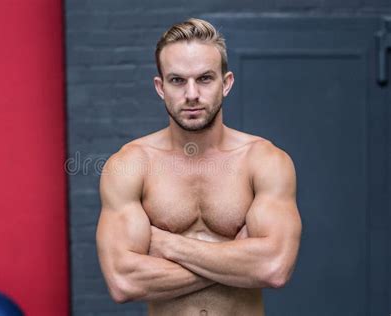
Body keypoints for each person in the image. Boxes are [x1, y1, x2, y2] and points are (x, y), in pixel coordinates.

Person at [96, 18, 302, 316]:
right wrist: (238, 260)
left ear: (226, 83)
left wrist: (167, 246)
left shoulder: (264, 161)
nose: (191, 94)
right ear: (160, 87)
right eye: (177, 80)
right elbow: (124, 282)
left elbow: (273, 268)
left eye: (205, 78)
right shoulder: (130, 164)